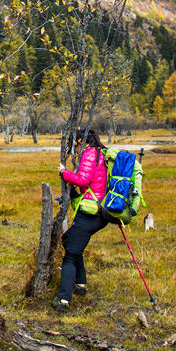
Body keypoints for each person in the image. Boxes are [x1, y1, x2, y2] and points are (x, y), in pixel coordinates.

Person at [52, 128, 109, 312]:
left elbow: (83, 180)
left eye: (74, 144)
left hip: (90, 212)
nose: (73, 149)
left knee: (70, 254)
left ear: (80, 142)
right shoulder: (101, 153)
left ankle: (63, 300)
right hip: (100, 211)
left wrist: (63, 172)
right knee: (69, 240)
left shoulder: (89, 153)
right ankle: (80, 284)